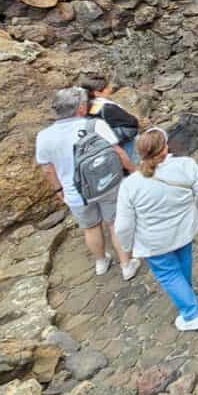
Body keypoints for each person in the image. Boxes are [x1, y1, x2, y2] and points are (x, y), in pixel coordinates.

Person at [114, 128, 198, 331]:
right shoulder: (186, 165)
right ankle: (186, 293)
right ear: (165, 147)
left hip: (154, 240)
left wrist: (127, 246)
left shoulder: (130, 185)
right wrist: (194, 204)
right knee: (183, 263)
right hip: (183, 230)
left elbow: (124, 224)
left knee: (168, 274)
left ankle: (192, 314)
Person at [36, 87, 140, 281]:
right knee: (114, 222)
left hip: (75, 192)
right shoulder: (94, 125)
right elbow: (118, 152)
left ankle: (101, 262)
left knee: (90, 227)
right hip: (107, 184)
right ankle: (127, 265)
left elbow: (47, 169)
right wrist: (134, 171)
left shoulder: (43, 136)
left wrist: (59, 189)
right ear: (81, 108)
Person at [81, 74, 140, 163]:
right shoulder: (107, 107)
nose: (110, 89)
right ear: (97, 93)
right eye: (107, 88)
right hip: (123, 144)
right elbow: (132, 123)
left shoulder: (88, 106)